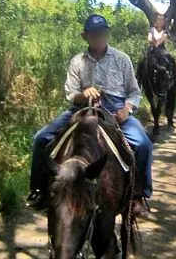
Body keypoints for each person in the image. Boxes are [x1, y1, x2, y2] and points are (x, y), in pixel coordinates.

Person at [26, 14, 153, 213]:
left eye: (103, 32)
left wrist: (127, 109)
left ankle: (139, 195)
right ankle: (39, 190)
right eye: (94, 33)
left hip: (115, 107)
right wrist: (83, 94)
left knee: (143, 144)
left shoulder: (122, 59)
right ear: (85, 36)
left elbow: (134, 92)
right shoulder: (77, 61)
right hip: (82, 107)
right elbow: (71, 93)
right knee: (41, 138)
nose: (100, 36)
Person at [147, 13, 176, 84]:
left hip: (162, 50)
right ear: (156, 21)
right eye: (158, 20)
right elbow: (149, 38)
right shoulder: (152, 29)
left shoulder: (165, 31)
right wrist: (152, 41)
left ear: (163, 22)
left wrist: (157, 43)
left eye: (161, 20)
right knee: (143, 62)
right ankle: (138, 79)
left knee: (173, 59)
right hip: (152, 50)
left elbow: (163, 39)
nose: (160, 22)